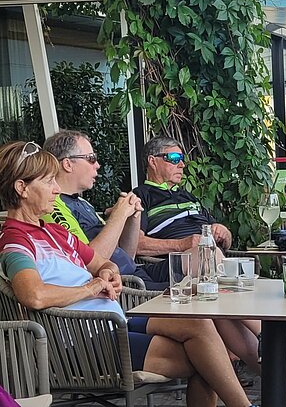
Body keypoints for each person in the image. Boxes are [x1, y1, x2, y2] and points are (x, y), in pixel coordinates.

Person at [0, 139, 267, 407]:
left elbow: (103, 263)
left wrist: (109, 273)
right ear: (22, 188)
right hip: (84, 339)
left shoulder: (53, 232)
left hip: (112, 318)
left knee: (198, 323)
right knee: (208, 360)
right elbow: (33, 295)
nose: (57, 189)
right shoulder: (16, 241)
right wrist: (92, 287)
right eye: (48, 182)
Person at [42, 130, 171, 289]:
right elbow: (88, 262)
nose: (97, 165)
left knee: (203, 262)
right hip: (123, 287)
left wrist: (133, 217)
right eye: (91, 158)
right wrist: (119, 214)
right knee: (195, 295)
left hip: (136, 272)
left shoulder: (82, 203)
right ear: (68, 164)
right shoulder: (53, 207)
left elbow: (126, 254)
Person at [133, 136, 232, 256]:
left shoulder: (189, 197)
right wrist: (181, 245)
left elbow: (227, 242)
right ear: (153, 162)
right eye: (174, 158)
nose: (182, 165)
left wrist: (224, 232)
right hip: (178, 264)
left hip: (213, 257)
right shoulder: (140, 196)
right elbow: (135, 244)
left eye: (182, 159)